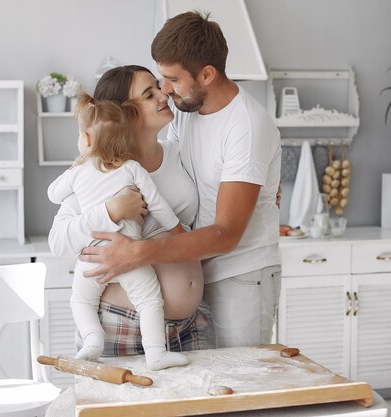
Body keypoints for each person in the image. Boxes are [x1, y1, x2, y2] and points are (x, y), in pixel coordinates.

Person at [80, 11, 282, 349]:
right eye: (161, 79)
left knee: (243, 382)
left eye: (172, 78)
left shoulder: (246, 126)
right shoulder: (186, 111)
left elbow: (226, 233)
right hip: (199, 270)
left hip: (241, 274)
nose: (165, 90)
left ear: (207, 74)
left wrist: (139, 252)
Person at [48, 65, 215, 357]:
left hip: (190, 322)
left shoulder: (179, 153)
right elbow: (58, 242)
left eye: (158, 88)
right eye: (149, 94)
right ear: (123, 114)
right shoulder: (98, 170)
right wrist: (111, 211)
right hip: (121, 322)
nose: (163, 95)